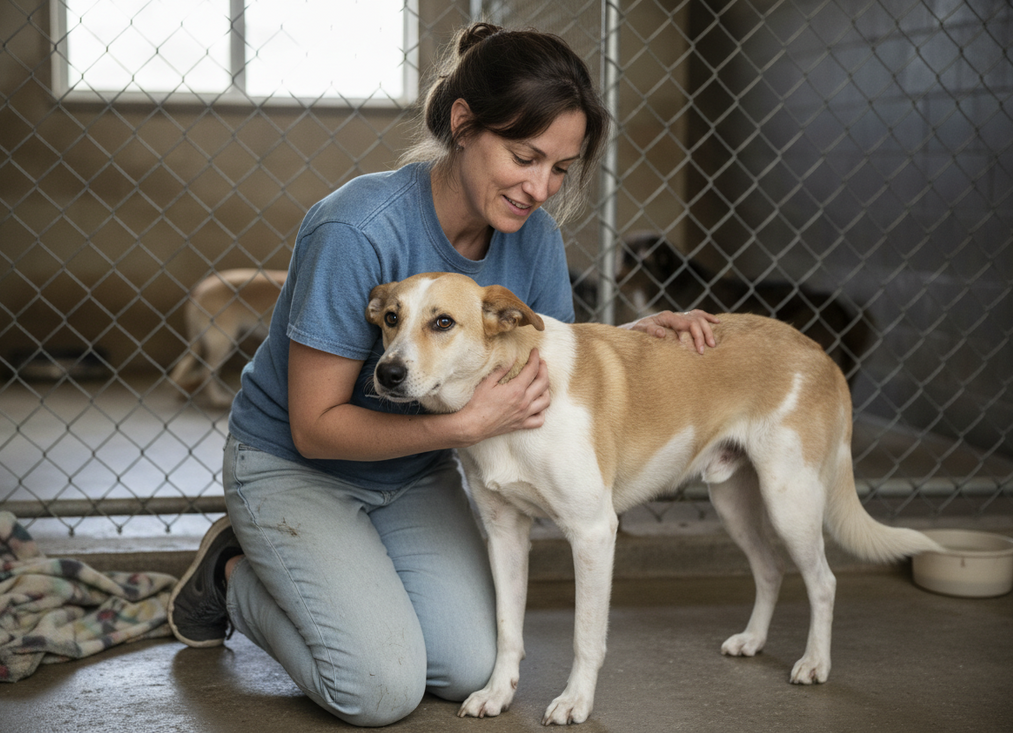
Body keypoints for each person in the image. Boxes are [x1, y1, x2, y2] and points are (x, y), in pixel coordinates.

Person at [168, 22, 718, 727]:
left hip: (413, 473)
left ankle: (355, 579)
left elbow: (548, 362)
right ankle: (229, 574)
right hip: (293, 466)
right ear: (464, 124)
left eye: (559, 168)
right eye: (525, 156)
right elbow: (313, 425)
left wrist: (638, 341)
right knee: (377, 690)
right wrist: (460, 425)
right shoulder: (357, 230)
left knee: (465, 671)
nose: (540, 187)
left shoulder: (533, 240)